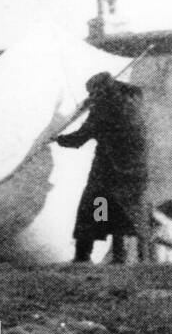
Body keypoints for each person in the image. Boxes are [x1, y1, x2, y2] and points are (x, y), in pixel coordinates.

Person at [55, 72, 149, 264]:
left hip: (109, 168)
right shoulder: (132, 99)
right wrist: (91, 103)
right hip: (135, 168)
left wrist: (57, 139)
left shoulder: (103, 109)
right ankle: (120, 255)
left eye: (94, 92)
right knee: (122, 210)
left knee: (95, 206)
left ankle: (83, 255)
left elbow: (79, 139)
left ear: (101, 91)